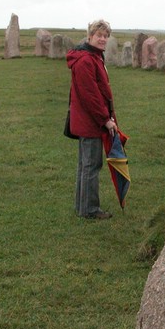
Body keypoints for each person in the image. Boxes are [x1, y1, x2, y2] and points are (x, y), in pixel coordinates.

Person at [66, 19, 119, 220]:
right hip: (90, 122)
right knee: (90, 165)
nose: (103, 39)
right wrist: (105, 119)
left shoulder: (93, 57)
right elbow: (91, 96)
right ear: (90, 36)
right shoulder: (86, 60)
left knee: (86, 165)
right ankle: (89, 209)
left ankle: (82, 207)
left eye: (106, 36)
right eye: (99, 35)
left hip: (88, 120)